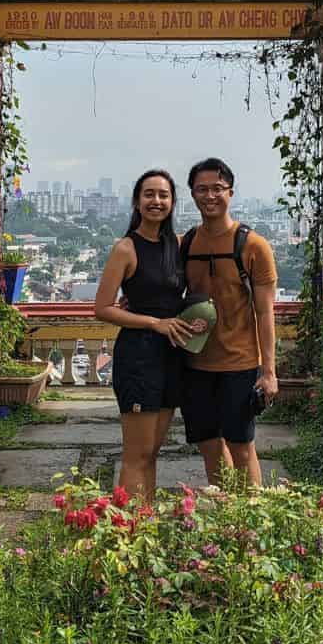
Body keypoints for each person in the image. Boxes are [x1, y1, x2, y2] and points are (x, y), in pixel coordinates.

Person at [94, 169, 200, 503]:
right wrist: (154, 322)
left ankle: (146, 522)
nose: (156, 201)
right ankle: (126, 528)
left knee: (152, 453)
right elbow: (103, 308)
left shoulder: (177, 246)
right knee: (136, 455)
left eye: (163, 195)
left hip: (172, 356)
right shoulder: (126, 248)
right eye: (149, 194)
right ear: (137, 202)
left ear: (172, 202)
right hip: (139, 356)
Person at [179, 157, 278, 486]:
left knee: (241, 445)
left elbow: (265, 313)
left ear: (231, 193)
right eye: (202, 189)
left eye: (217, 189)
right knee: (208, 444)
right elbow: (166, 294)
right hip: (196, 363)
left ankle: (252, 521)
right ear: (192, 194)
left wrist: (269, 372)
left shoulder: (252, 245)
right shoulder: (186, 244)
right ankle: (225, 516)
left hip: (240, 362)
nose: (210, 196)